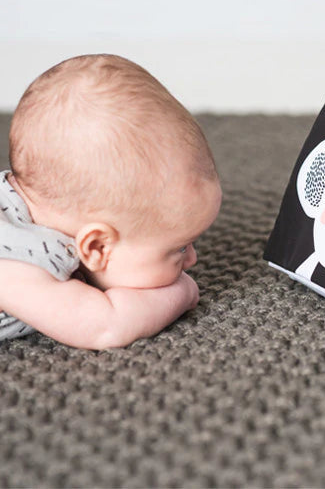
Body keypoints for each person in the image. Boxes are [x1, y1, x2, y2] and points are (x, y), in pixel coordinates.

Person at [0, 54, 222, 349]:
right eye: (180, 247)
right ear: (97, 247)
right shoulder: (18, 260)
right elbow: (105, 326)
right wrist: (183, 292)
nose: (193, 259)